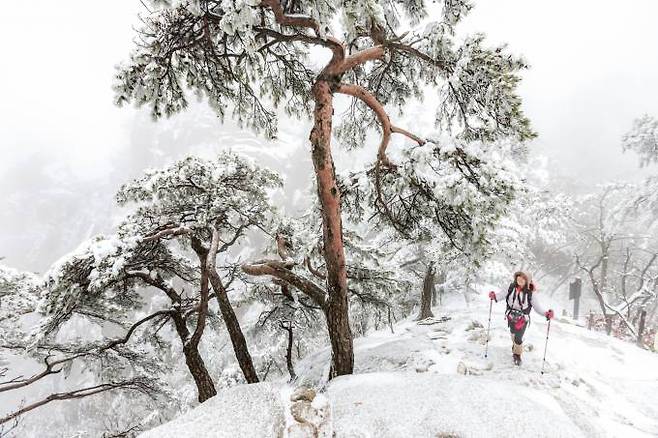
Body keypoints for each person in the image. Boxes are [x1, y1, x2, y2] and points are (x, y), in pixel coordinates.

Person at [488, 271, 554, 366]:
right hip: (510, 315)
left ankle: (517, 355)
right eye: (519, 277)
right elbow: (501, 295)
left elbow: (537, 307)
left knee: (518, 338)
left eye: (523, 278)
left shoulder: (531, 293)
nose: (520, 279)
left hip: (523, 319)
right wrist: (494, 296)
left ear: (527, 281)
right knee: (513, 334)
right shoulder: (511, 287)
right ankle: (515, 345)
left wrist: (546, 314)